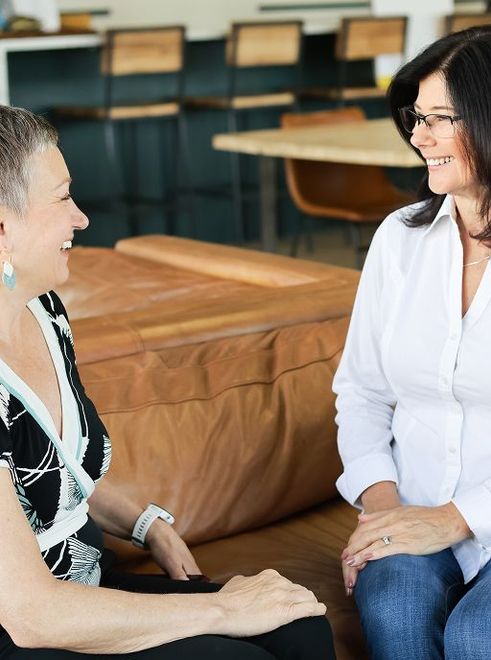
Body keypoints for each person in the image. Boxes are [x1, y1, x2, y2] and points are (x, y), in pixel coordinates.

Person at [0, 105, 335, 659]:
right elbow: (31, 614)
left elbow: (56, 464)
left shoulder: (45, 311)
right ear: (4, 227)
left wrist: (144, 524)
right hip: (32, 625)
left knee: (300, 624)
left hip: (88, 584)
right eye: (62, 199)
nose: (81, 219)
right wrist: (225, 609)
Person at [333, 25, 491, 660]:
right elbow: (362, 392)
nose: (418, 137)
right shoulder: (400, 237)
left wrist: (454, 520)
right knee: (395, 602)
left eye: (440, 118)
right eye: (416, 117)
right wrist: (383, 513)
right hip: (411, 509)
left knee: (475, 636)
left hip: (465, 516)